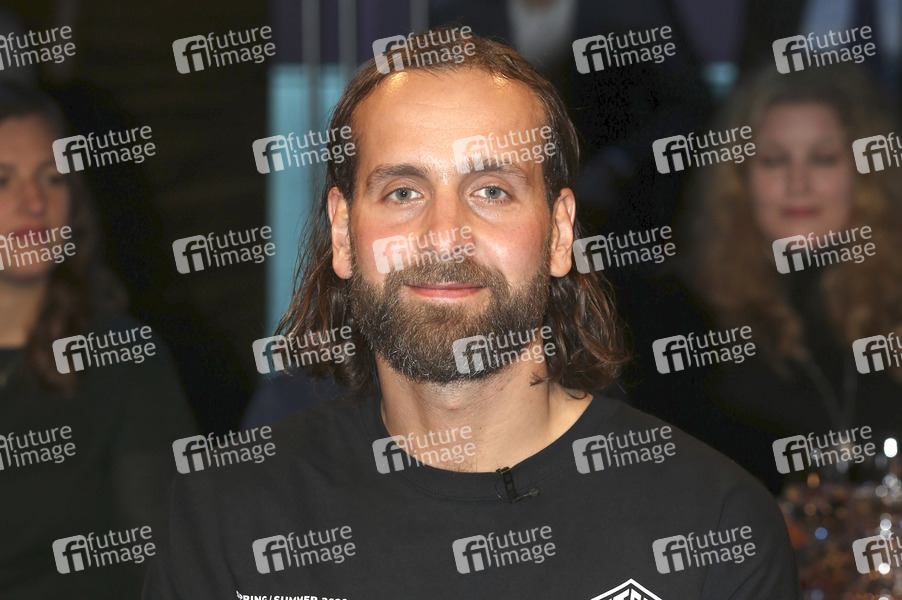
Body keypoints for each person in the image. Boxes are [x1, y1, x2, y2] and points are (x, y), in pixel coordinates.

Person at [144, 29, 800, 599]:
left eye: (491, 191)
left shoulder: (713, 528)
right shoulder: (226, 519)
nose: (444, 235)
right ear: (342, 234)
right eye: (403, 192)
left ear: (559, 233)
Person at [624, 64, 902, 494]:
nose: (798, 184)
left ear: (864, 174)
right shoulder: (677, 314)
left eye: (823, 159)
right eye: (774, 160)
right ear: (738, 179)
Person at [0, 85, 196, 600]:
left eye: (52, 177)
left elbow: (163, 564)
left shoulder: (123, 358)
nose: (34, 202)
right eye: (3, 180)